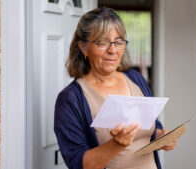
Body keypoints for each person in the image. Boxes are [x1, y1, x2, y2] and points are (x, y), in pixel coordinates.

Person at [54, 7, 177, 169]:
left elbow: (152, 124)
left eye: (118, 42)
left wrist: (160, 137)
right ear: (83, 47)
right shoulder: (70, 99)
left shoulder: (135, 78)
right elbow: (77, 163)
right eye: (102, 42)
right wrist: (116, 144)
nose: (112, 50)